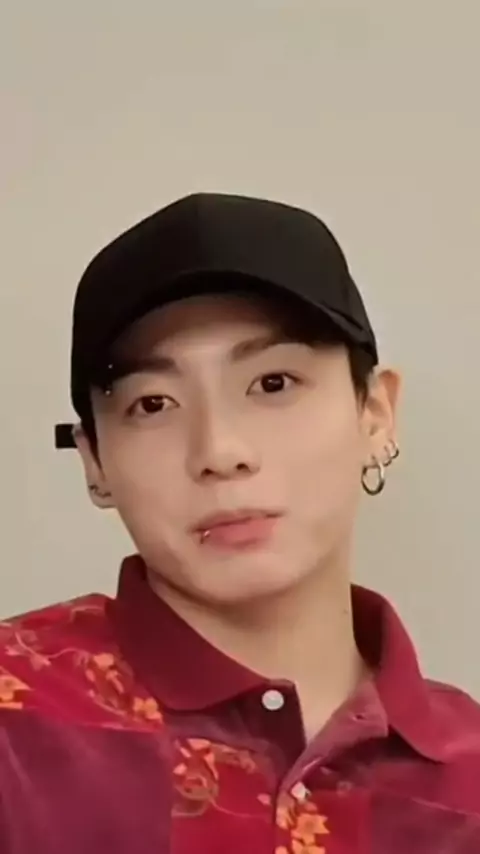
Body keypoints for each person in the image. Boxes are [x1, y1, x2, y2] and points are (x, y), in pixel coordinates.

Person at [1, 194, 480, 854]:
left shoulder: (468, 780)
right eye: (153, 404)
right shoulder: (16, 718)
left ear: (375, 414)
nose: (220, 452)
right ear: (95, 461)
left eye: (274, 383)